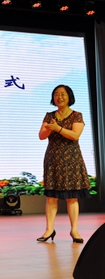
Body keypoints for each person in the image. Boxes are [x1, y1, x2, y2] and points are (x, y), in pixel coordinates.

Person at [37, 84, 91, 244]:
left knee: (72, 197)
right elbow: (41, 136)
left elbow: (75, 135)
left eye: (63, 94)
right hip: (53, 159)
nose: (59, 97)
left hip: (71, 159)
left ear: (69, 97)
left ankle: (74, 230)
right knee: (51, 197)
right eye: (56, 94)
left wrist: (57, 128)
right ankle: (49, 229)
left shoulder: (77, 115)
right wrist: (50, 128)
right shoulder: (49, 116)